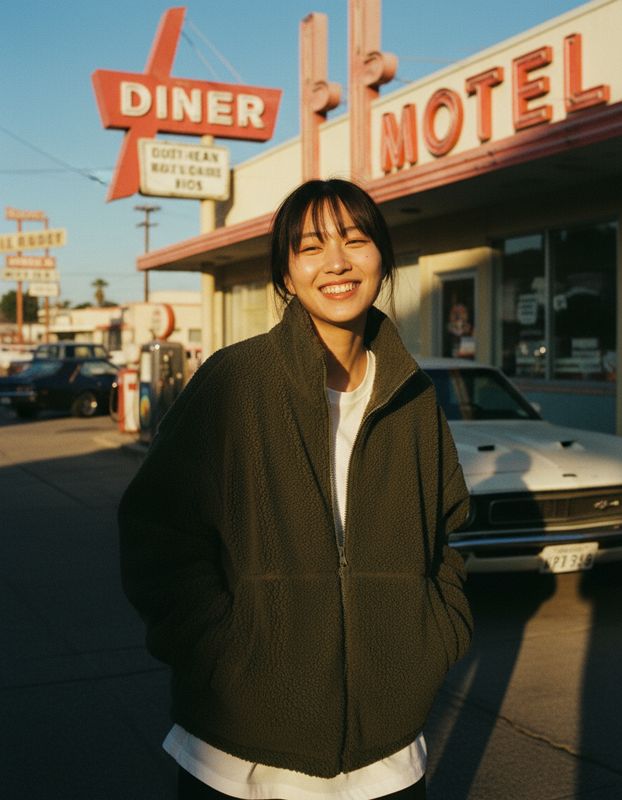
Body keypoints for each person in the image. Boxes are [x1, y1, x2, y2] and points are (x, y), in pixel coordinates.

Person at [118, 179, 473, 800]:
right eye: (311, 247)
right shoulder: (235, 379)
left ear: (382, 260)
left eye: (355, 241)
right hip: (239, 759)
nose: (336, 263)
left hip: (387, 760)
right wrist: (223, 655)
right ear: (285, 272)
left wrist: (433, 638)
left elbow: (446, 537)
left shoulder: (412, 396)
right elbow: (157, 534)